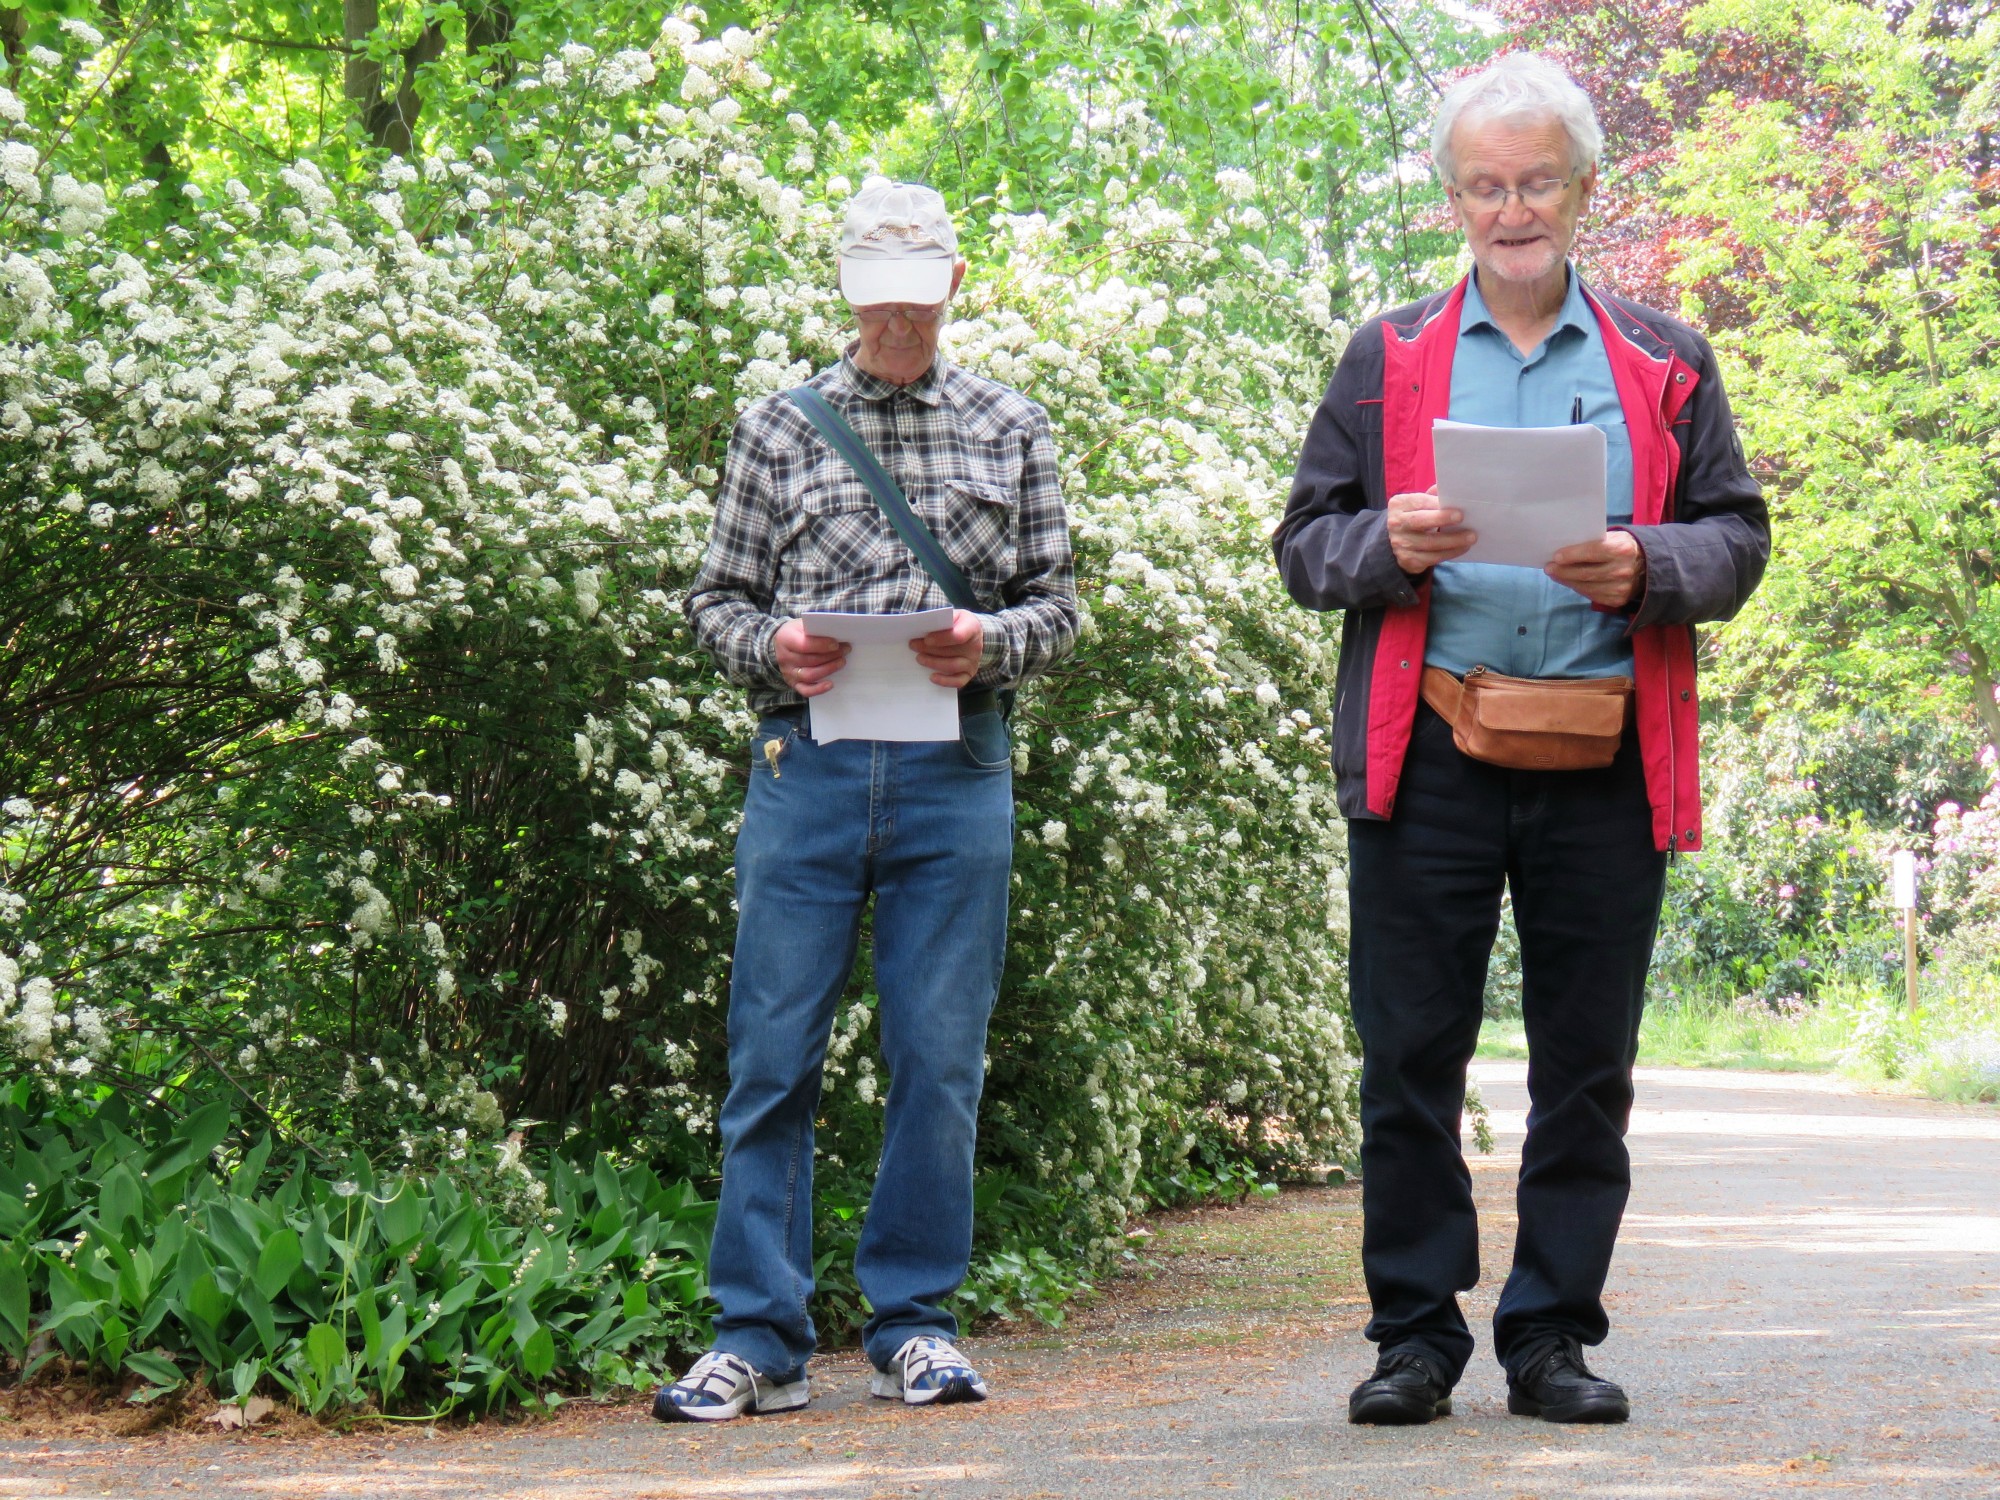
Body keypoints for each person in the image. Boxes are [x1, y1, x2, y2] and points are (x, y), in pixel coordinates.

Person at [1273, 54, 1768, 1426]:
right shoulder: (1386, 359)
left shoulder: (1665, 359)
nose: (1510, 208)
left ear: (1584, 187)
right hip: (1428, 750)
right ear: (1451, 199)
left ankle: (1549, 1336)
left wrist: (1643, 566)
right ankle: (1415, 1339)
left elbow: (1739, 538)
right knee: (1409, 1055)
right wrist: (1390, 540)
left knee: (1586, 1066)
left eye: (1535, 180)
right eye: (1485, 185)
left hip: (1606, 752)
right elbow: (1303, 548)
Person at [658, 180, 1079, 1421]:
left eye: (912, 303)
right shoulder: (777, 428)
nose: (894, 328)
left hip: (958, 772)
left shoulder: (1013, 424)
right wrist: (771, 649)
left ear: (952, 285)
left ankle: (914, 1325)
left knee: (937, 1061)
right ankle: (757, 1337)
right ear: (845, 297)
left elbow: (1059, 603)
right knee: (769, 1055)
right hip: (807, 767)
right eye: (872, 307)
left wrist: (987, 644)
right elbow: (711, 602)